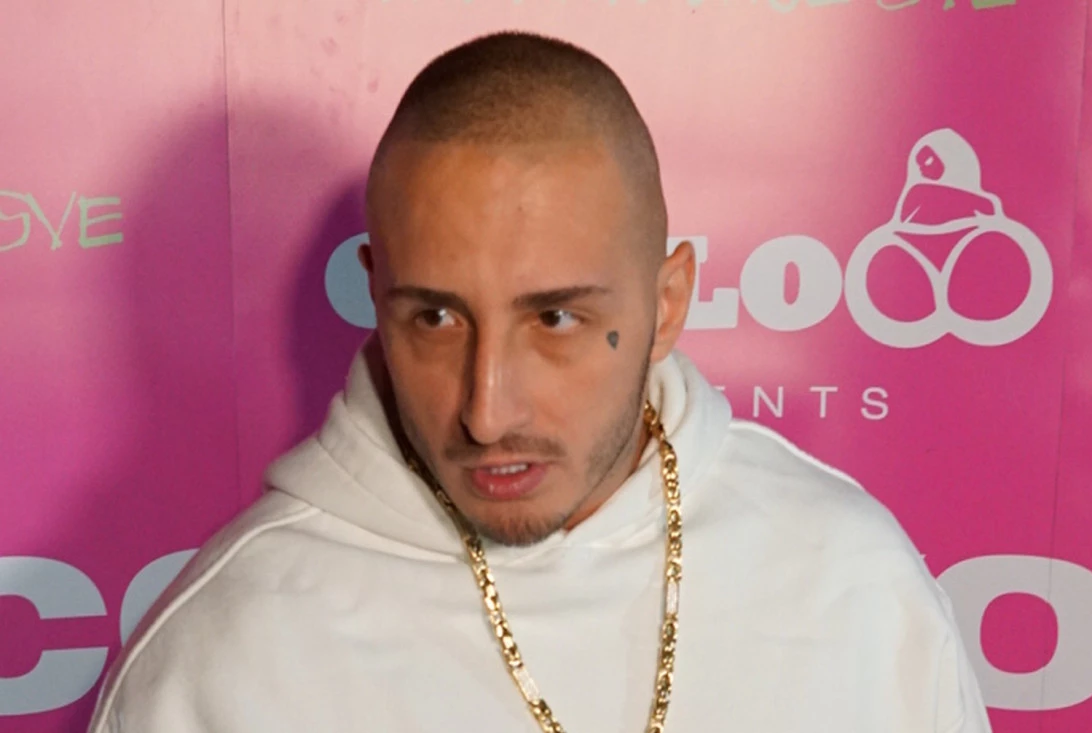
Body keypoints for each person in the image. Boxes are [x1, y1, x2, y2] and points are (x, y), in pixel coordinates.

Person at [88, 31, 992, 733]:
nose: (486, 412)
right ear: (375, 296)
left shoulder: (850, 581)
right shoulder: (227, 650)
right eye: (435, 318)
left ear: (666, 305)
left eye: (554, 319)